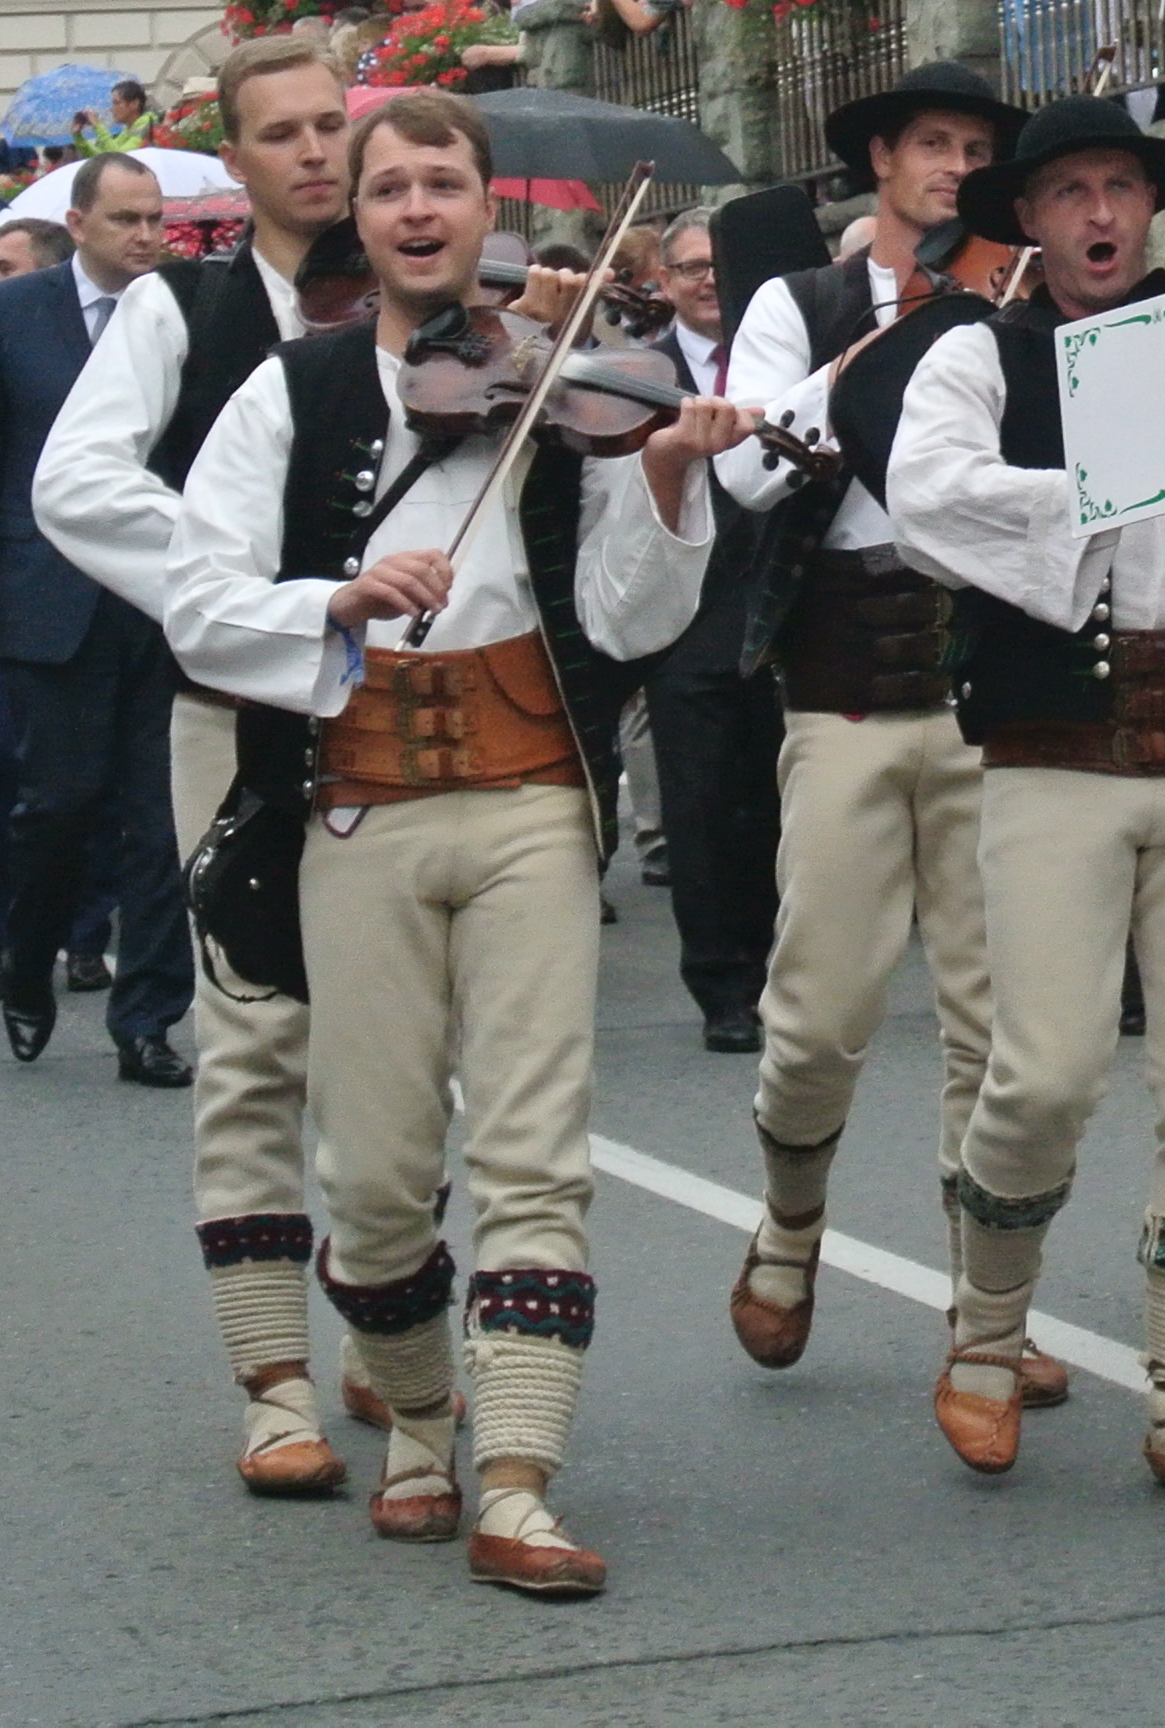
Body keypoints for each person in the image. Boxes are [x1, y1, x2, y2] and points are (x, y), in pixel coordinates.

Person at [168, 89, 735, 1599]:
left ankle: (521, 1481)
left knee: (534, 1151)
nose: (418, 211)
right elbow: (195, 596)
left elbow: (629, 617)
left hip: (532, 794)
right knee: (372, 1176)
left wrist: (672, 475)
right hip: (352, 804)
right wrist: (330, 607)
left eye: (445, 186)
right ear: (350, 219)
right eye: (389, 188)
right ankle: (421, 1418)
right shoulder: (289, 393)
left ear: (490, 212)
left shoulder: (575, 384)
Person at [885, 96, 1165, 1507]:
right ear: (1032, 221)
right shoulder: (976, 356)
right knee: (1044, 1070)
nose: (1102, 214)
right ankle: (988, 1329)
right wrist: (1104, 482)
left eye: (1122, 187)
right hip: (1054, 750)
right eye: (1071, 193)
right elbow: (926, 497)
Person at [32, 30, 361, 1498]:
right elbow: (77, 480)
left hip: (401, 719)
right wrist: (235, 585)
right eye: (280, 132)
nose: (313, 152)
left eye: (328, 126)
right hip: (235, 711)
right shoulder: (182, 305)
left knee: (394, 1036)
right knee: (254, 1038)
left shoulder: (422, 296)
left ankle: (387, 1315)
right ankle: (272, 1376)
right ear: (234, 161)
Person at [713, 67, 1068, 1413]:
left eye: (980, 150)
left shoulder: (1025, 317)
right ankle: (791, 1225)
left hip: (991, 694)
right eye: (934, 146)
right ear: (883, 163)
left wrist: (980, 327)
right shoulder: (794, 309)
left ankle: (989, 1311)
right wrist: (890, 341)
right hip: (843, 695)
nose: (954, 168)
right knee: (817, 1017)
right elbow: (747, 472)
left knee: (996, 1022)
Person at [0, 151, 195, 1077]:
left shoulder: (182, 308)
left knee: (161, 819)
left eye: (155, 219)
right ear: (79, 224)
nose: (145, 236)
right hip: (46, 599)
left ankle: (147, 1020)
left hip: (160, 597)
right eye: (126, 219)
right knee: (57, 804)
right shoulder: (12, 312)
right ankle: (30, 962)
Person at [638, 208, 785, 1056]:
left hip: (767, 615)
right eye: (688, 269)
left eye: (716, 269)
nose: (705, 283)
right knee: (697, 812)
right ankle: (721, 988)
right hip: (684, 619)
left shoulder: (776, 365)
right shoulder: (639, 372)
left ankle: (772, 972)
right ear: (663, 284)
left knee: (768, 807)